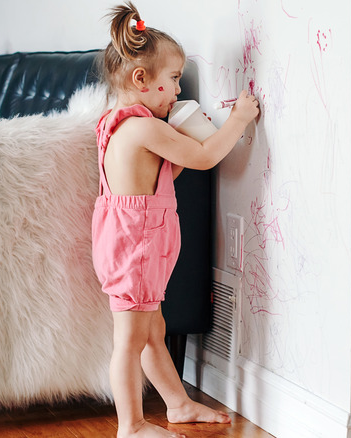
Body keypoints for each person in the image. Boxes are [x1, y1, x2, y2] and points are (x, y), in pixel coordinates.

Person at [92, 2, 260, 437]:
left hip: (130, 242)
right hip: (137, 247)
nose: (179, 90)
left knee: (152, 330)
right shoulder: (145, 128)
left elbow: (171, 171)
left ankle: (178, 404)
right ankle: (130, 426)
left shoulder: (118, 123)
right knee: (130, 340)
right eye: (172, 80)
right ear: (141, 80)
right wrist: (238, 120)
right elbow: (204, 157)